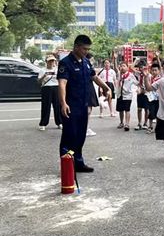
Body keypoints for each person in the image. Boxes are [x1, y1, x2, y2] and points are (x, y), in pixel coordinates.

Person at [57, 35, 111, 173]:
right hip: (71, 106)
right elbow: (62, 84)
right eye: (84, 49)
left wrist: (106, 88)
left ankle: (78, 162)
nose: (86, 51)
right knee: (70, 136)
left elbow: (94, 77)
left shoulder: (86, 62)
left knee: (80, 135)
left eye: (88, 49)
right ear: (76, 47)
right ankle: (67, 166)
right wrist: (63, 103)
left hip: (83, 105)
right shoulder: (66, 63)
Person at [113, 58, 139, 131]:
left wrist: (139, 88)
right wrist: (115, 59)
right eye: (121, 66)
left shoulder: (130, 75)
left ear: (127, 67)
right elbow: (115, 68)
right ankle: (121, 122)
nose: (122, 67)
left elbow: (137, 83)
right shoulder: (119, 74)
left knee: (127, 110)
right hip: (119, 95)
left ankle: (127, 124)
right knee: (120, 110)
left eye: (124, 66)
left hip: (127, 95)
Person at [38, 55, 62, 131]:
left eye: (53, 61)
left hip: (56, 88)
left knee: (57, 106)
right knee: (46, 106)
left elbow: (61, 79)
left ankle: (59, 122)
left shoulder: (57, 70)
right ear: (46, 62)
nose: (51, 62)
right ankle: (43, 123)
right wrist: (44, 76)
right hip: (46, 88)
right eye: (50, 61)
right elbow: (39, 81)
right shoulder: (42, 70)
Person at [146, 63, 162, 134]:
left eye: (155, 70)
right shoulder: (149, 78)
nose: (154, 72)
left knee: (158, 113)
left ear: (159, 71)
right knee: (151, 112)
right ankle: (150, 126)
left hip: (158, 99)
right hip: (151, 98)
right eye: (152, 70)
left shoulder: (161, 79)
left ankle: (158, 127)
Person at [135, 62, 150, 131]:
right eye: (140, 68)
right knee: (139, 109)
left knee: (146, 109)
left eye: (143, 68)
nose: (142, 69)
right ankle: (139, 123)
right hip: (139, 92)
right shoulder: (138, 74)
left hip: (146, 93)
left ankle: (145, 123)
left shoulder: (149, 75)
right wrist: (136, 60)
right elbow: (131, 68)